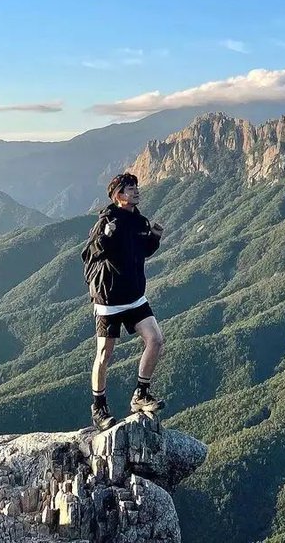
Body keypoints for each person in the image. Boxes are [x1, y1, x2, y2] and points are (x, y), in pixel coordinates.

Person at [81, 172, 165, 430]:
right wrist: (105, 236)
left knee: (156, 340)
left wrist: (154, 237)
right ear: (118, 195)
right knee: (104, 353)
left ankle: (141, 394)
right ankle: (99, 408)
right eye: (130, 188)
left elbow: (142, 251)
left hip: (135, 297)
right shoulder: (107, 221)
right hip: (109, 299)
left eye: (136, 187)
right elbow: (89, 254)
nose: (136, 191)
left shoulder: (139, 221)